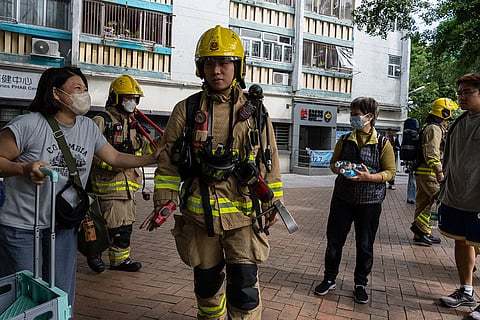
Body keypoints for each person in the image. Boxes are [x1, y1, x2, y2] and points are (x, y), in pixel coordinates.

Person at [149, 25, 283, 319]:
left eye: (224, 62)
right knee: (207, 287)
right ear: (201, 67)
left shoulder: (255, 112)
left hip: (245, 217)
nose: (217, 70)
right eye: (210, 63)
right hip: (200, 218)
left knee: (245, 290)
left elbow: (268, 161)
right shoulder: (186, 109)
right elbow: (169, 163)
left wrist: (273, 201)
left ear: (238, 66)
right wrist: (164, 199)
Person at [0, 67, 162, 307]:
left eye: (85, 89)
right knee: (23, 296)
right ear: (56, 93)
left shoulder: (87, 127)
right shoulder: (27, 124)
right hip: (22, 227)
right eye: (77, 89)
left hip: (63, 225)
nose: (83, 94)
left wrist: (152, 158)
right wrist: (23, 168)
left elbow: (115, 158)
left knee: (60, 293)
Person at [313, 97, 396, 304]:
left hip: (370, 201)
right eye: (351, 114)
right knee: (334, 241)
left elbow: (391, 172)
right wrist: (341, 168)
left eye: (356, 114)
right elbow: (333, 164)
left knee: (365, 244)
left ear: (370, 117)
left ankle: (360, 283)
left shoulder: (383, 143)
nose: (353, 118)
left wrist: (371, 177)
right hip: (343, 199)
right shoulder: (345, 139)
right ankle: (330, 278)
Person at [87, 75, 156, 273]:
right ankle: (94, 254)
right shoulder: (101, 121)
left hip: (128, 188)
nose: (132, 102)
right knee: (107, 227)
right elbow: (91, 151)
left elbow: (141, 150)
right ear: (116, 98)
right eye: (127, 98)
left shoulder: (133, 123)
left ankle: (119, 260)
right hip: (107, 187)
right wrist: (112, 165)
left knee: (125, 228)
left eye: (135, 99)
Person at [437, 73, 480, 320]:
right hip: (456, 197)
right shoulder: (459, 123)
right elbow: (450, 161)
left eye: (468, 92)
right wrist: (443, 190)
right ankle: (466, 291)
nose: (462, 97)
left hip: (477, 200)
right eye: (460, 93)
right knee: (461, 241)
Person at [409, 98, 457, 246]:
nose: (451, 114)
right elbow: (431, 153)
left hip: (423, 171)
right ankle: (419, 227)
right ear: (444, 111)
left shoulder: (433, 127)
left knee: (423, 203)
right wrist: (439, 172)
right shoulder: (434, 129)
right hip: (429, 173)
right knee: (439, 198)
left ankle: (421, 234)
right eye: (450, 111)